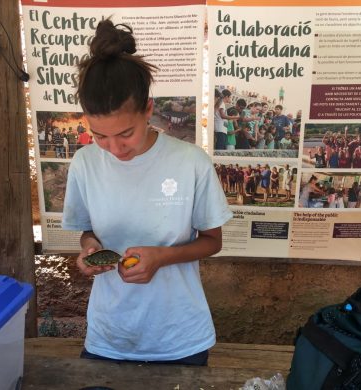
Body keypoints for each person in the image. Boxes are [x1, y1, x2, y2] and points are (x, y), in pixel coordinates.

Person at [61, 20, 232, 365]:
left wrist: (161, 257)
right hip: (110, 332)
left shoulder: (190, 161)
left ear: (149, 109)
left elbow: (212, 241)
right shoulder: (84, 163)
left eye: (125, 133)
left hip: (178, 334)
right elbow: (87, 231)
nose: (114, 148)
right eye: (100, 135)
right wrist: (89, 250)